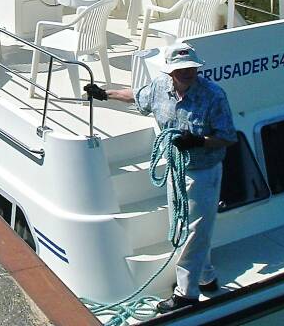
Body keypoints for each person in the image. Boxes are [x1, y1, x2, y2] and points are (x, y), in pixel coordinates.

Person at [84, 43, 237, 314]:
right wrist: (105, 94)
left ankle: (187, 294)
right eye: (181, 70)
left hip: (203, 173)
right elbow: (137, 96)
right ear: (170, 73)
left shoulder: (214, 95)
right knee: (182, 228)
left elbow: (227, 137)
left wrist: (199, 141)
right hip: (175, 170)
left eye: (191, 68)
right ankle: (206, 277)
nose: (187, 73)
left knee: (192, 233)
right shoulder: (158, 88)